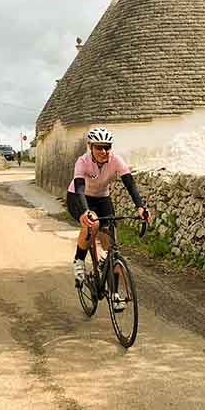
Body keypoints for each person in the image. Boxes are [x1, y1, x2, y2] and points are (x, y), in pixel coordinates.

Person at [67, 127, 150, 308]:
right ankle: (79, 260)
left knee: (112, 247)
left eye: (107, 147)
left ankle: (114, 294)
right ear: (90, 147)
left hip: (102, 197)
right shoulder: (82, 162)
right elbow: (79, 187)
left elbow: (130, 184)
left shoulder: (116, 160)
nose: (104, 151)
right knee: (93, 223)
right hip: (78, 197)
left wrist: (140, 207)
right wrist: (85, 211)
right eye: (99, 147)